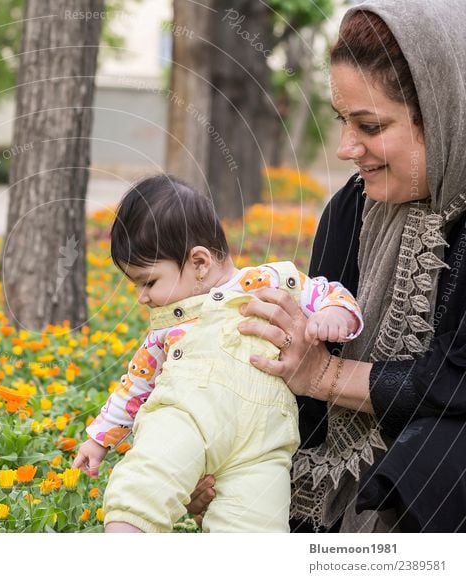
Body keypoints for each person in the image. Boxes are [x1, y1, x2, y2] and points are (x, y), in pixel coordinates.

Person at [189, 0, 466, 533]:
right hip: (354, 469)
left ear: (443, 109)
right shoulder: (353, 208)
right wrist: (235, 453)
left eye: (368, 124)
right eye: (342, 120)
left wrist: (326, 376)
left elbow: (455, 382)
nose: (345, 148)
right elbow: (304, 372)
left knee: (440, 456)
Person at [72, 175, 364, 533]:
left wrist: (335, 315)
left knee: (256, 528)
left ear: (199, 262)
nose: (142, 297)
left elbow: (330, 292)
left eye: (148, 282)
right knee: (146, 484)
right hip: (187, 420)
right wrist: (99, 437)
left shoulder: (273, 280)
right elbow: (136, 383)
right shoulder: (168, 324)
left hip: (263, 447)